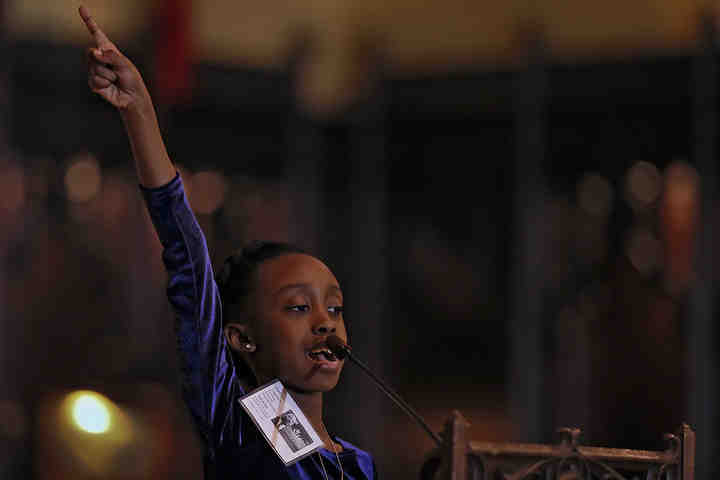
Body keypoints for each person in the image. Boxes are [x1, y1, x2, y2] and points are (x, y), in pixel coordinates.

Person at [78, 6, 377, 479]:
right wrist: (140, 111)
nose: (325, 323)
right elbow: (189, 260)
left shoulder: (355, 463)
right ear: (242, 338)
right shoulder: (243, 423)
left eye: (335, 309)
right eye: (299, 308)